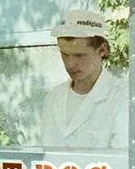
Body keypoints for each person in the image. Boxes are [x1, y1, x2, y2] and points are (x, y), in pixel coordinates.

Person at [39, 8, 128, 149]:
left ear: (102, 50)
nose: (70, 64)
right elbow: (46, 153)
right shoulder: (54, 97)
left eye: (79, 55)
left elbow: (121, 158)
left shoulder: (122, 96)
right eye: (65, 55)